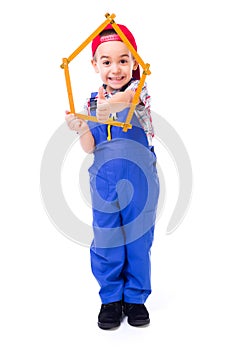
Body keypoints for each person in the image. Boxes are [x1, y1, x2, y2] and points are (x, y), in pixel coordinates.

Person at [65, 23, 160, 330]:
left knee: (137, 237)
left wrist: (108, 106)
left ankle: (134, 299)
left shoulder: (139, 88)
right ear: (95, 65)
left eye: (124, 60)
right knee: (106, 239)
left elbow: (128, 98)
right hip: (104, 180)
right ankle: (110, 299)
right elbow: (90, 146)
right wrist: (80, 127)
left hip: (140, 178)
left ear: (135, 63)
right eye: (107, 61)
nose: (116, 68)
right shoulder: (92, 103)